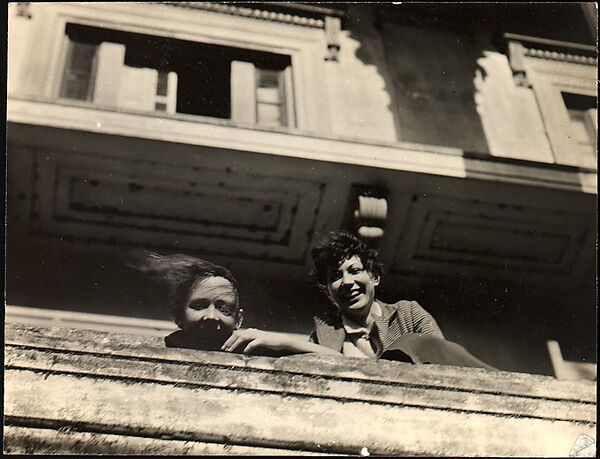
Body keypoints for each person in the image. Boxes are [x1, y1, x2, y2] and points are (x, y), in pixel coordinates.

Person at [134, 251, 244, 351]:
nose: (211, 317)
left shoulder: (254, 351)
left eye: (223, 308)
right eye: (199, 306)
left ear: (238, 320)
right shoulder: (157, 351)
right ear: (179, 317)